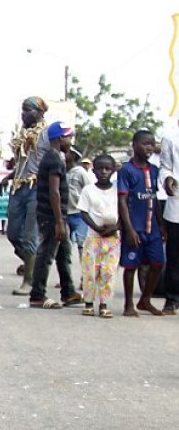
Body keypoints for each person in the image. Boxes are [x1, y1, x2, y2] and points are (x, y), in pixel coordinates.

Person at [0, 97, 50, 295]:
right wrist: (7, 178)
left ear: (40, 112)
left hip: (36, 187)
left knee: (30, 236)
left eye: (28, 110)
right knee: (13, 233)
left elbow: (54, 161)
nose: (24, 114)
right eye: (22, 110)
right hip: (19, 187)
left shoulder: (46, 134)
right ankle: (34, 265)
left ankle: (29, 282)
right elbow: (22, 164)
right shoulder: (23, 135)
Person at [27, 123, 81, 309]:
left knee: (64, 253)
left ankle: (69, 292)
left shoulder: (55, 157)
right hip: (52, 216)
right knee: (47, 254)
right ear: (60, 139)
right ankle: (37, 295)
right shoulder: (54, 160)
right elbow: (54, 192)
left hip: (56, 216)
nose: (71, 141)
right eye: (69, 137)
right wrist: (59, 221)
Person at [118, 130, 165, 317]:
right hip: (135, 228)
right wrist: (128, 229)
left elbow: (155, 198)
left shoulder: (154, 170)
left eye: (152, 144)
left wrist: (161, 226)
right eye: (145, 144)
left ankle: (145, 299)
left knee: (158, 263)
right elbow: (122, 201)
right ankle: (128, 304)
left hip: (152, 228)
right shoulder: (126, 170)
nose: (149, 148)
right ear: (134, 145)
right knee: (131, 266)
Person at [76, 154, 120, 318]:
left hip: (112, 239)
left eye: (107, 169)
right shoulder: (88, 190)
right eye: (100, 168)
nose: (103, 172)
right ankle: (88, 303)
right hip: (93, 237)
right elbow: (84, 212)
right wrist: (97, 227)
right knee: (90, 272)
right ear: (93, 171)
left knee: (108, 272)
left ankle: (104, 304)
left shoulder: (117, 191)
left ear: (113, 170)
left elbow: (123, 211)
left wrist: (115, 228)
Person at [157, 117, 179, 313]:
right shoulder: (171, 137)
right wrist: (168, 178)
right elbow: (165, 167)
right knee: (174, 255)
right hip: (177, 203)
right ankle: (172, 299)